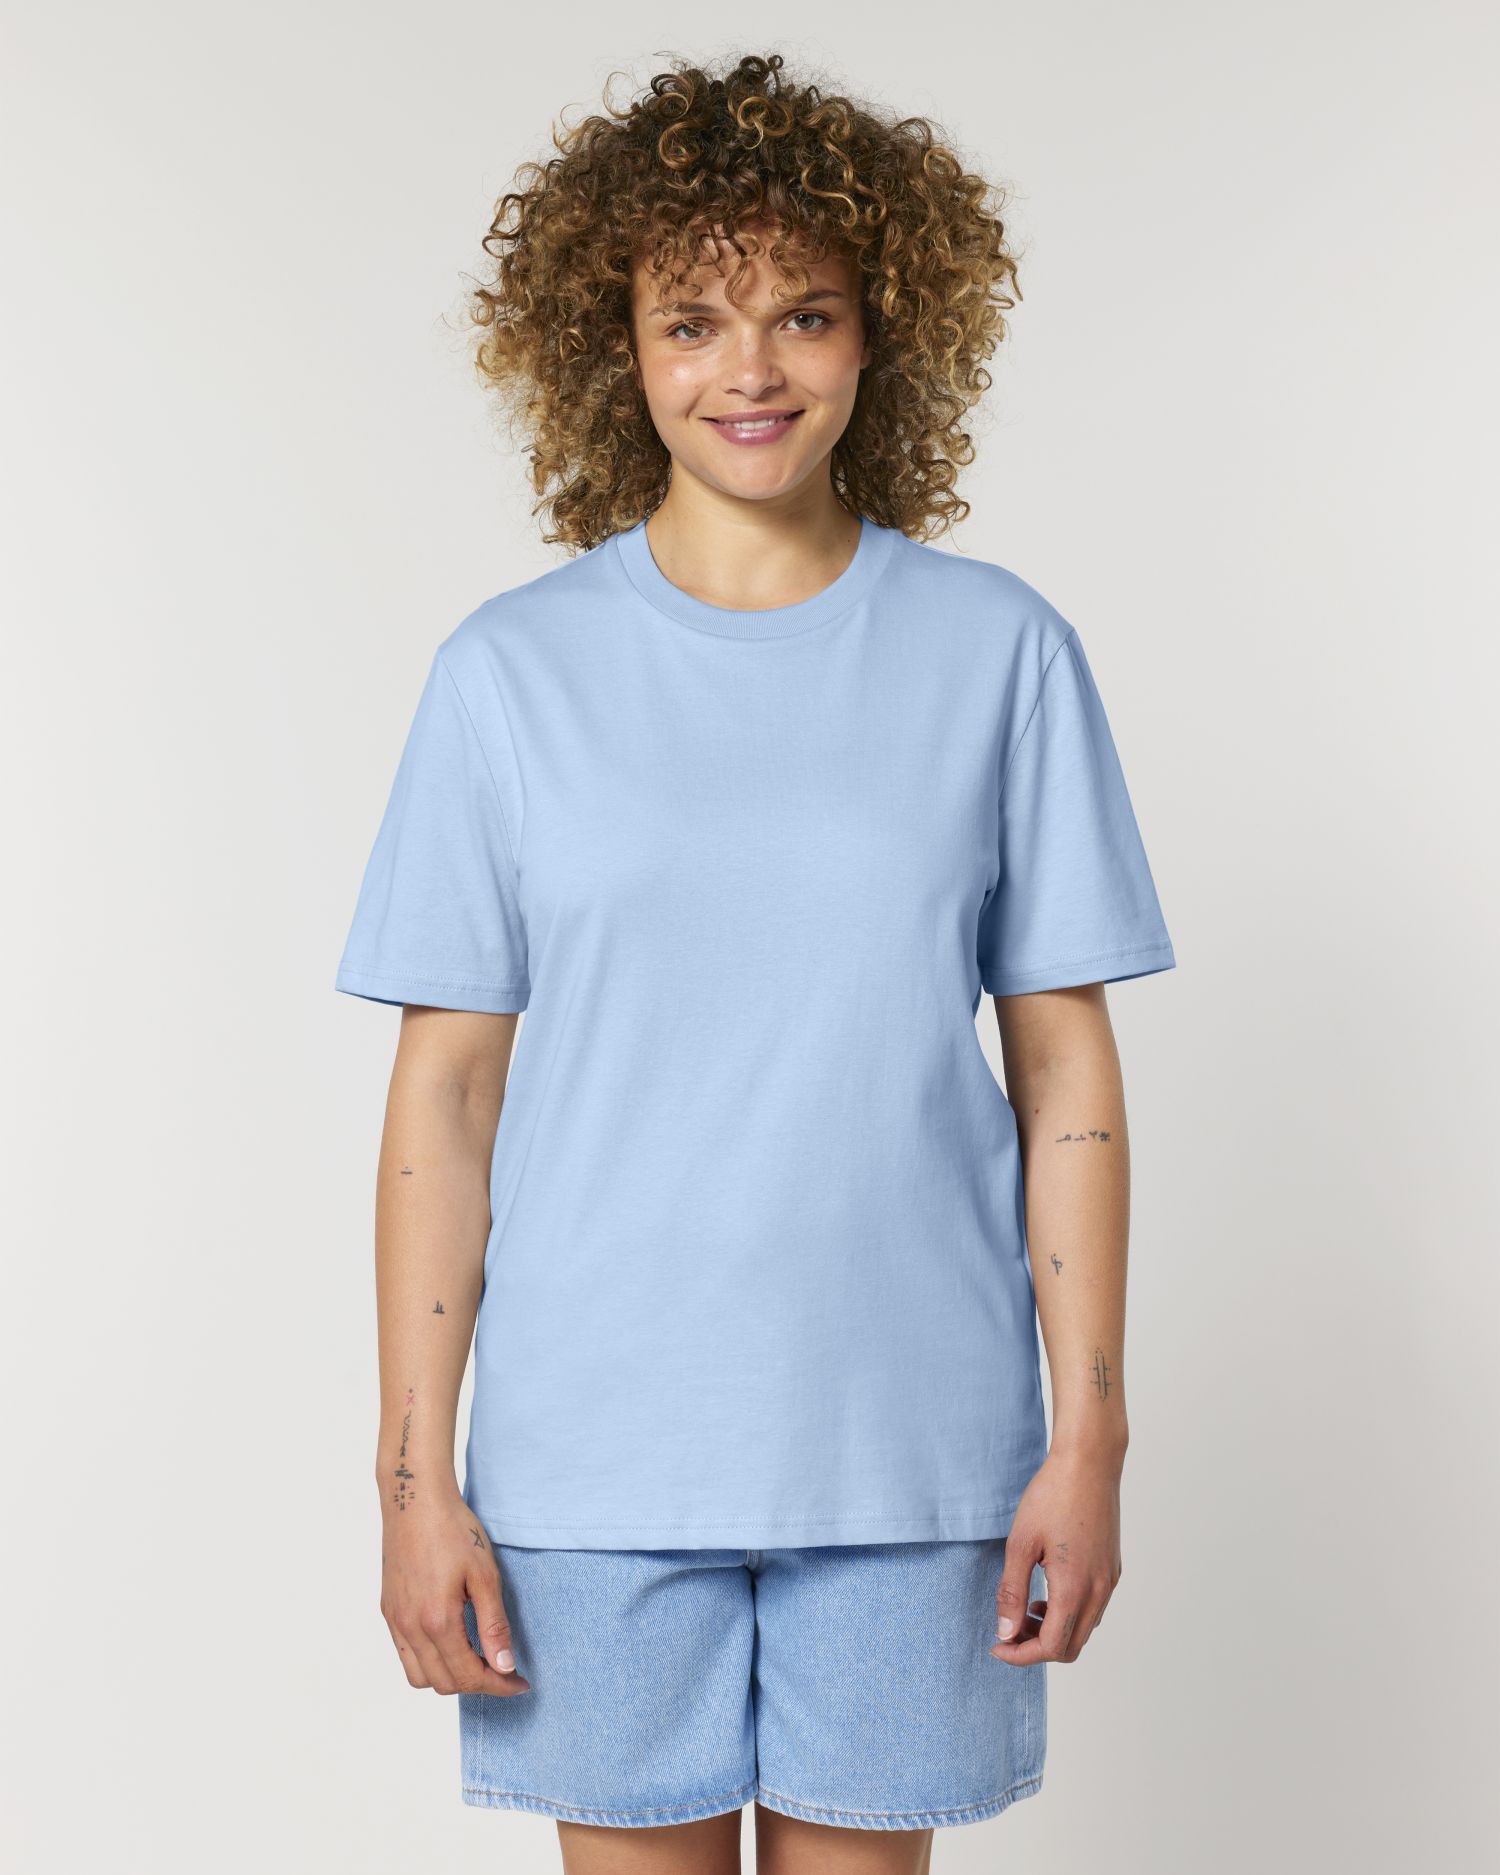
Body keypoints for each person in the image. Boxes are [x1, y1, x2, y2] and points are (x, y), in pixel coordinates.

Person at [333, 49, 1177, 1875]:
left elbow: (1067, 1077)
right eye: (693, 320)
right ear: (616, 348)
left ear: (882, 336)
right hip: (591, 1467)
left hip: (914, 1455)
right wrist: (413, 1480)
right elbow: (443, 1104)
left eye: (805, 313)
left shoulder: (1000, 653)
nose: (752, 369)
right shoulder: (508, 676)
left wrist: (1092, 1437)